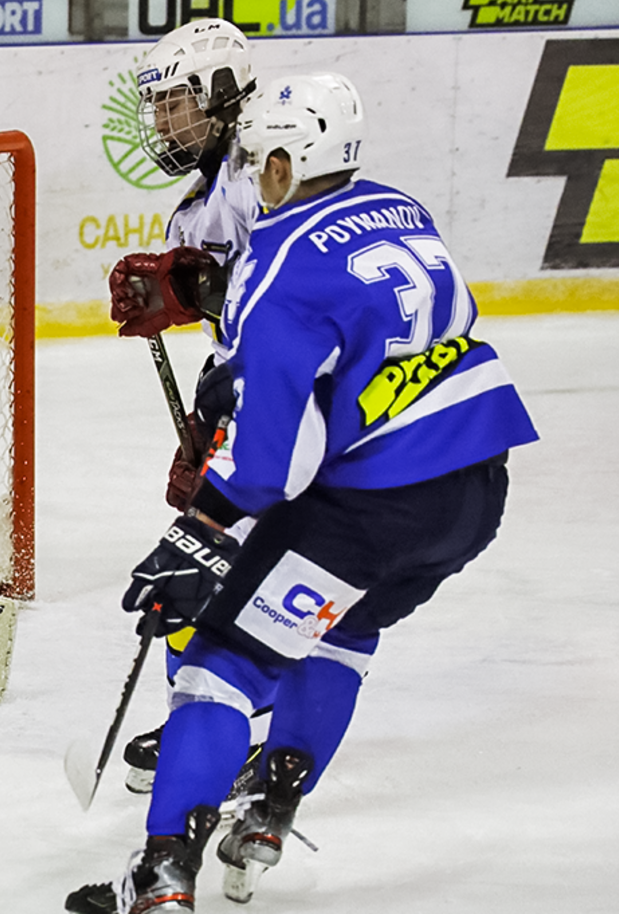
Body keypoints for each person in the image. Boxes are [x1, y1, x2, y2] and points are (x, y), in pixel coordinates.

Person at [65, 73, 539, 913]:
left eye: (257, 159)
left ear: (285, 162)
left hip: (374, 504)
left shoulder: (276, 266)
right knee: (344, 628)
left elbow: (272, 464)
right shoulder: (402, 207)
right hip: (475, 491)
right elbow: (371, 336)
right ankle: (267, 815)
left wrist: (205, 519)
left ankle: (161, 878)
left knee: (220, 666)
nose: (250, 174)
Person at [104, 17, 262, 795]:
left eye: (175, 104)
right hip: (243, 378)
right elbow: (225, 298)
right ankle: (209, 710)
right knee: (207, 545)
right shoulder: (202, 198)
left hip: (289, 392)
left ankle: (235, 717)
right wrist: (172, 292)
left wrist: (189, 286)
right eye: (159, 107)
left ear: (223, 95)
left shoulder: (267, 165)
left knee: (219, 547)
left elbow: (283, 289)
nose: (163, 123)